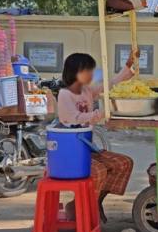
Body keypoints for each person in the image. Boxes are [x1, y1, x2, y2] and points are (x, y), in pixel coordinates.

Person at [57, 51, 138, 222]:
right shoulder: (65, 94)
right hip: (69, 153)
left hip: (86, 149)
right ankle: (83, 210)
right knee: (98, 171)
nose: (91, 74)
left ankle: (94, 202)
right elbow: (73, 118)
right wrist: (101, 113)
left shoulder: (87, 90)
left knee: (123, 163)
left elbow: (111, 84)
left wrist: (128, 65)